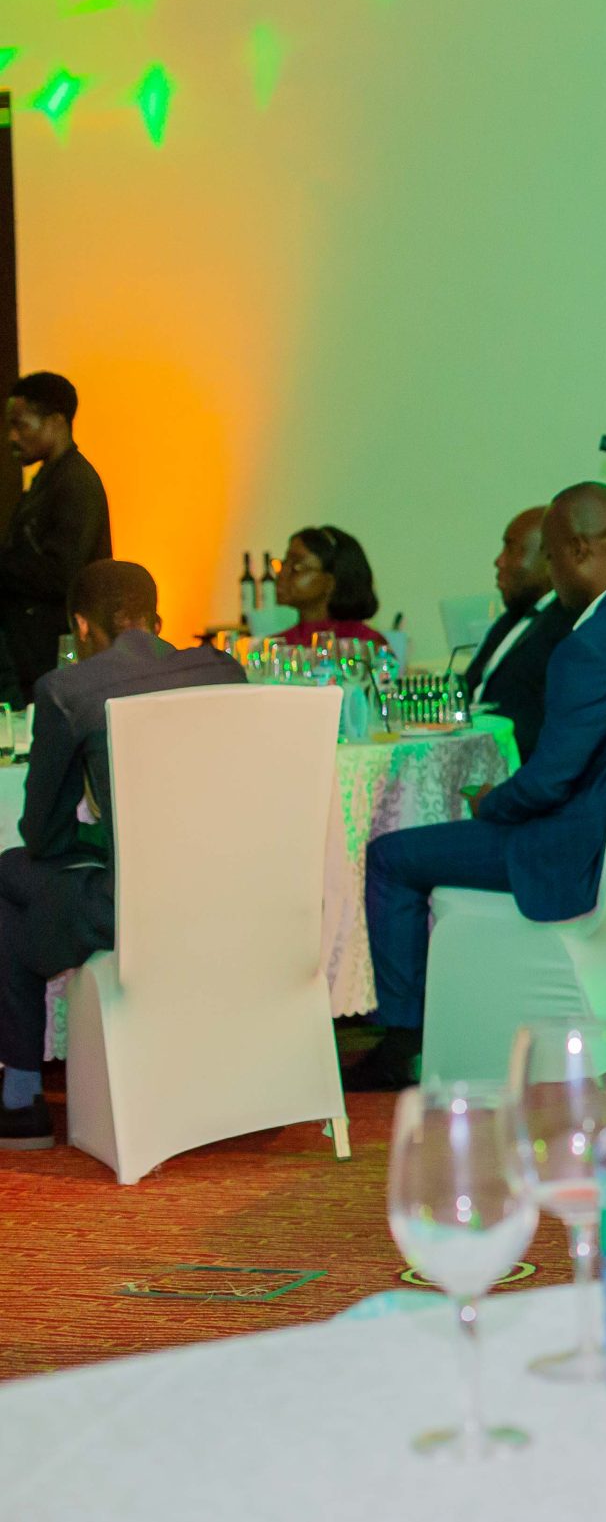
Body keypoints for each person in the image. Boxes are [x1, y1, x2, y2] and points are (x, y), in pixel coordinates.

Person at [348, 484, 606, 1090]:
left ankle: (403, 1043)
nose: (550, 572)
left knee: (390, 856)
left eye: (551, 557)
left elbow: (548, 782)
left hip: (574, 854)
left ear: (575, 551)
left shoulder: (587, 645)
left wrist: (491, 802)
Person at [0, 561, 244, 1148]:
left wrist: (96, 842)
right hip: (236, 891)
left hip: (137, 905)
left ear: (82, 626)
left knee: (8, 875)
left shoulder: (68, 691)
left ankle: (21, 1098)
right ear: (157, 618)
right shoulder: (224, 670)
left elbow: (44, 837)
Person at [0, 373, 112, 700]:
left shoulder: (75, 482)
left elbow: (62, 573)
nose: (12, 437)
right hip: (36, 658)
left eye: (21, 425)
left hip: (53, 661)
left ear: (56, 421)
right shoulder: (50, 480)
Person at [459, 506, 574, 759]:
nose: (499, 561)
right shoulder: (511, 620)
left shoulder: (566, 626)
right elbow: (472, 688)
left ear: (549, 558)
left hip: (507, 762)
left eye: (511, 548)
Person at [272, 526, 389, 649]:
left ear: (331, 582)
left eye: (297, 567)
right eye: (284, 563)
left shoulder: (366, 646)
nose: (281, 574)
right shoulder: (277, 646)